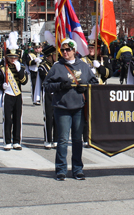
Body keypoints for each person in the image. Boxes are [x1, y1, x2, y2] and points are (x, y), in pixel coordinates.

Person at [43, 39, 99, 181]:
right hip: (62, 107)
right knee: (62, 140)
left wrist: (85, 87)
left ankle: (77, 169)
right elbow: (46, 84)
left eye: (68, 50)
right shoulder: (57, 67)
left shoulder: (84, 66)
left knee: (77, 140)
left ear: (75, 51)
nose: (65, 53)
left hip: (79, 107)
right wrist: (60, 86)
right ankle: (61, 169)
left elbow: (94, 83)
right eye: (63, 50)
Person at [0, 38, 28, 151]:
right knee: (7, 119)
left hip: (17, 94)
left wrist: (19, 70)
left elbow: (24, 81)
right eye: (10, 57)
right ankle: (7, 141)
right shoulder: (2, 68)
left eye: (14, 57)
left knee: (17, 118)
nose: (13, 59)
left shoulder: (21, 66)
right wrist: (2, 86)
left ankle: (16, 141)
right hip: (8, 94)